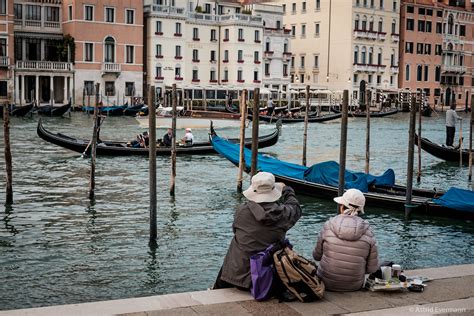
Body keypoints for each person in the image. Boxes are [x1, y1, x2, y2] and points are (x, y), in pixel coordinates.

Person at [213, 172, 302, 290]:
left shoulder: (241, 211)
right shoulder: (283, 214)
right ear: (273, 191)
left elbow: (235, 230)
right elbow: (295, 207)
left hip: (236, 274)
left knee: (237, 245)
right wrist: (286, 189)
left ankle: (217, 288)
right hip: (266, 276)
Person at [313, 189, 379, 292]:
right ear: (360, 210)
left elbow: (316, 256)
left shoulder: (328, 225)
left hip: (325, 282)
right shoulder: (368, 232)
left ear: (342, 207)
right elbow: (371, 269)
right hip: (354, 285)